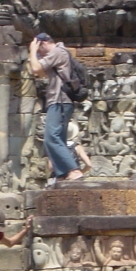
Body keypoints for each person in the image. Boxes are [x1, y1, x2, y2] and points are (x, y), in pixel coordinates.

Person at [29, 33, 84, 184]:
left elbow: (35, 68)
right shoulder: (58, 54)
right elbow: (39, 72)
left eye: (39, 49)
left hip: (60, 101)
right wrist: (36, 55)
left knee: (51, 137)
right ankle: (62, 173)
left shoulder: (57, 51)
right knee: (56, 138)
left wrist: (32, 51)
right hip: (59, 101)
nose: (39, 54)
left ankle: (74, 170)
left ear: (44, 43)